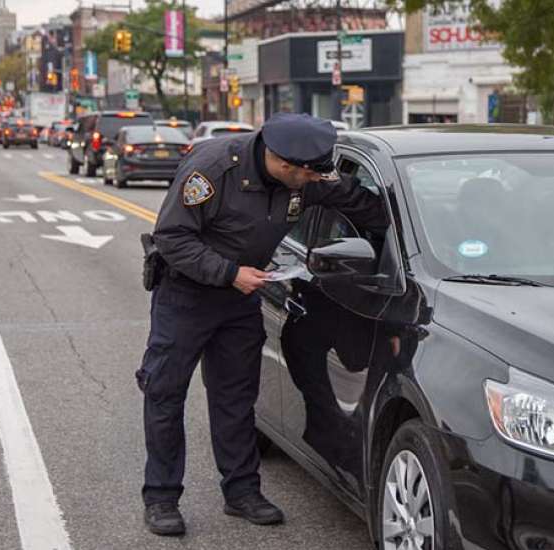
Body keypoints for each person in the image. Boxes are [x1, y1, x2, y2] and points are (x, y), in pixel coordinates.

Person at [137, 112, 387, 537]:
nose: (312, 181)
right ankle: (161, 497)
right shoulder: (212, 169)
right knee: (165, 392)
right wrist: (230, 273)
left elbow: (357, 202)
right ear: (281, 162)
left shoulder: (305, 175)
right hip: (187, 296)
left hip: (240, 299)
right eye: (306, 175)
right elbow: (172, 238)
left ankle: (242, 492)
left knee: (236, 396)